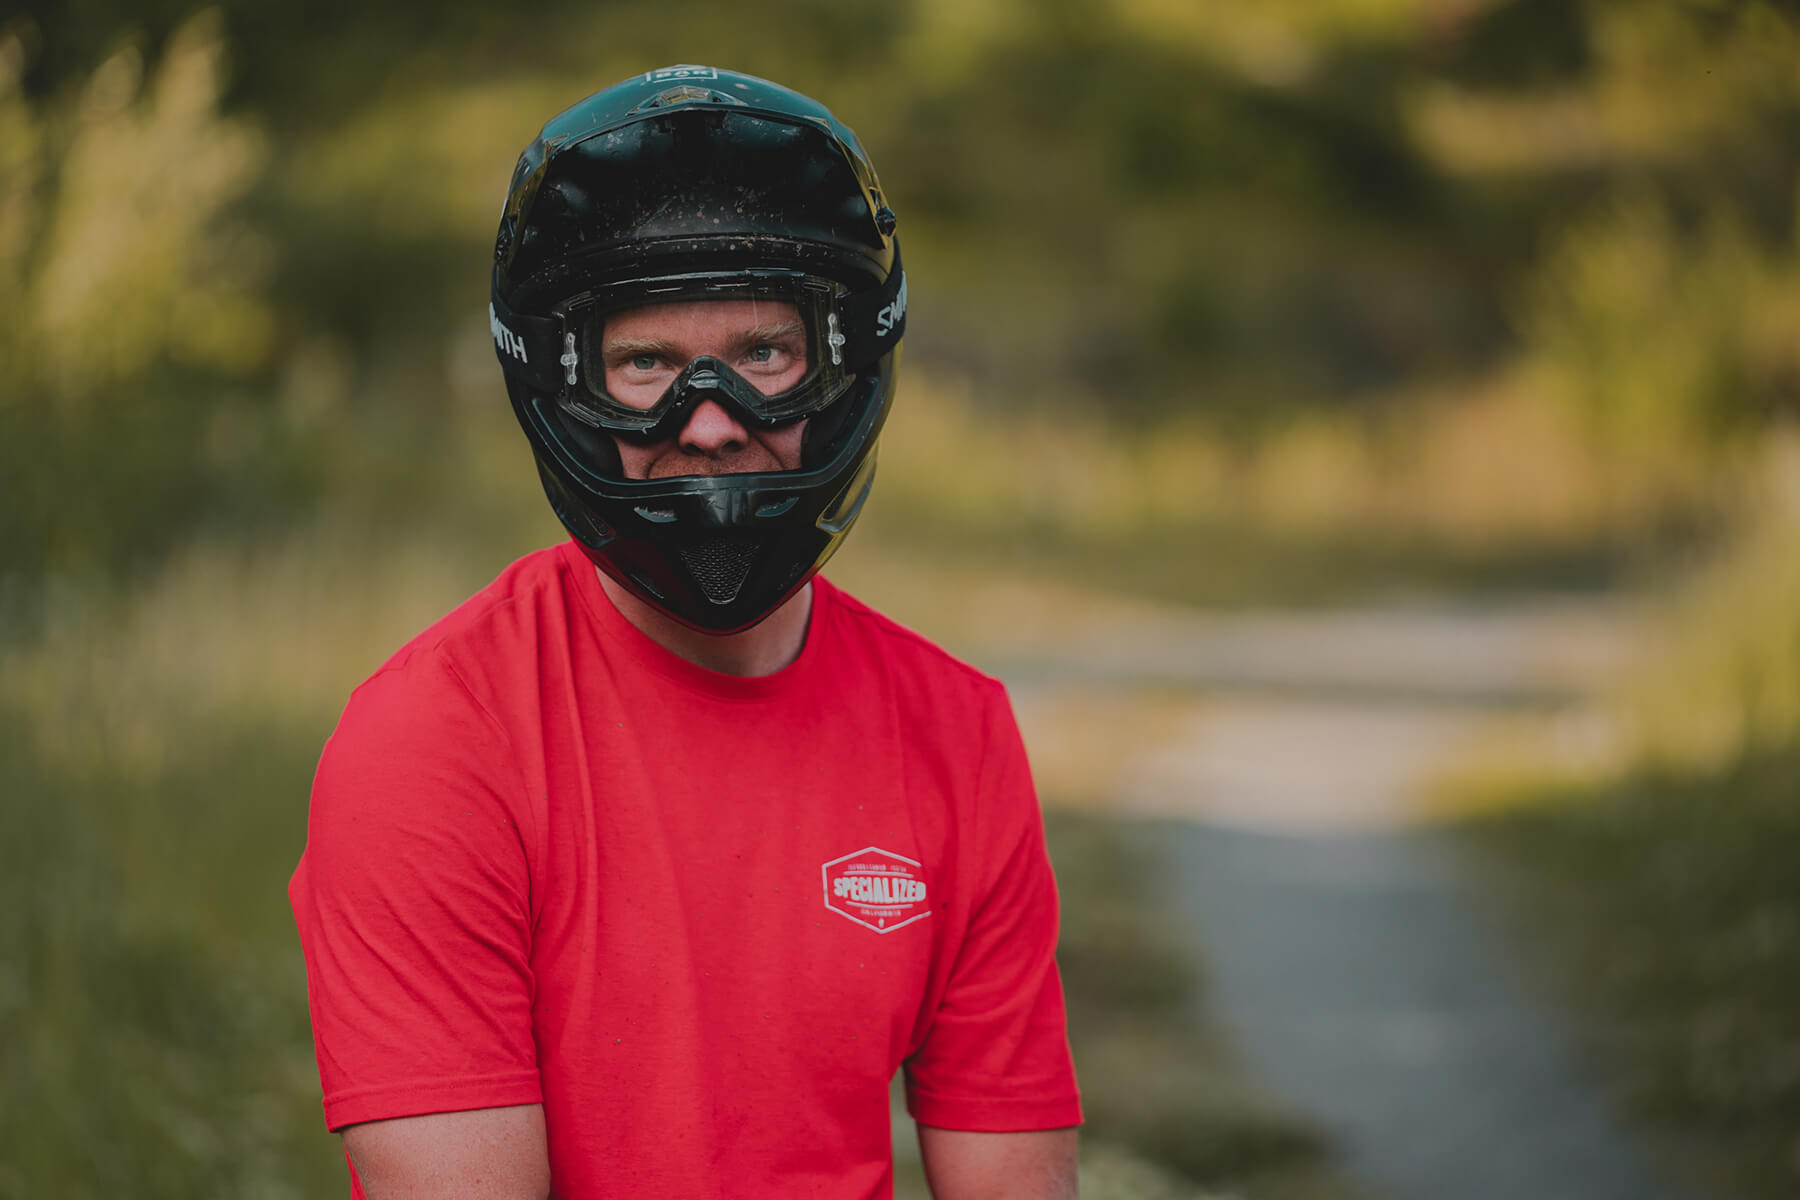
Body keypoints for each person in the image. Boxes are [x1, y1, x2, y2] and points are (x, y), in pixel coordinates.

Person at [290, 64, 1082, 1200]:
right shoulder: (432, 743)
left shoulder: (956, 731)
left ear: (841, 361)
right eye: (647, 364)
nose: (708, 424)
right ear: (567, 384)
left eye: (763, 355)